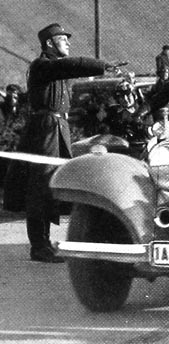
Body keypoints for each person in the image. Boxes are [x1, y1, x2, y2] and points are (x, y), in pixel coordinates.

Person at [3, 23, 120, 263]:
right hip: (46, 129)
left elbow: (66, 68)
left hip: (55, 128)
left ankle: (45, 243)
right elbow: (69, 66)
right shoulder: (42, 66)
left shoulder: (52, 68)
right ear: (49, 44)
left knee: (52, 186)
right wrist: (101, 65)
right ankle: (39, 246)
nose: (68, 42)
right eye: (62, 39)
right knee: (41, 187)